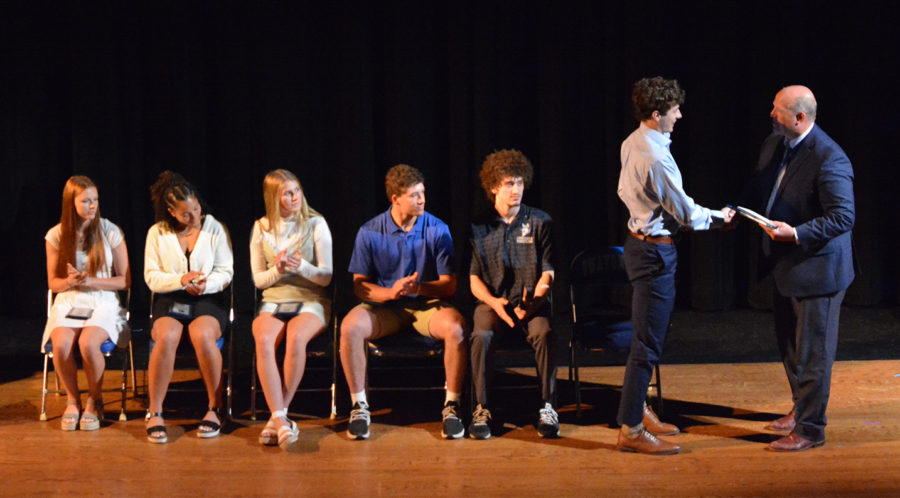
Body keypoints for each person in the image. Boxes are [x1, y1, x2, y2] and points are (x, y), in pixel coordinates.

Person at [615, 77, 734, 454]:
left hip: (641, 246)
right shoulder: (654, 157)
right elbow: (684, 212)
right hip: (653, 254)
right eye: (674, 111)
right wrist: (719, 217)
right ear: (656, 115)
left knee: (650, 339)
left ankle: (639, 409)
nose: (679, 115)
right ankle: (631, 430)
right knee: (646, 343)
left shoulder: (633, 141)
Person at [750, 85, 854, 452]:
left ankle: (811, 429)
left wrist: (795, 234)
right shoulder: (775, 146)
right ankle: (800, 409)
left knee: (813, 355)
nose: (771, 114)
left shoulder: (830, 158)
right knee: (791, 350)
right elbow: (767, 192)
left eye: (778, 110)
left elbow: (843, 217)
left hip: (818, 271)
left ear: (800, 118)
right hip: (785, 268)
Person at [341, 164, 467, 440]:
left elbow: (450, 285)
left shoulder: (437, 229)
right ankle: (359, 406)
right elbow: (360, 287)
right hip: (386, 309)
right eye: (414, 195)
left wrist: (418, 287)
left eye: (422, 193)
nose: (421, 199)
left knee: (456, 328)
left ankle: (452, 405)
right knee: (350, 327)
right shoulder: (370, 231)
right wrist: (390, 292)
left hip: (425, 306)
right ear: (395, 199)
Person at [468, 149, 557, 439]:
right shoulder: (479, 227)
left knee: (543, 332)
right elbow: (473, 278)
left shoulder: (540, 221)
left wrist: (531, 304)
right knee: (481, 334)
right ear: (494, 187)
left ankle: (548, 405)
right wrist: (494, 302)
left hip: (531, 304)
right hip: (494, 305)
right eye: (508, 183)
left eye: (519, 182)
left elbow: (548, 272)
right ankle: (482, 408)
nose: (515, 189)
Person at [144, 171, 234, 444]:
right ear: (171, 212)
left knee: (202, 335)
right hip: (172, 297)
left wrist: (205, 284)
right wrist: (179, 280)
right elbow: (151, 276)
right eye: (186, 214)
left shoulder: (215, 227)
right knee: (167, 336)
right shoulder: (157, 233)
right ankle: (156, 411)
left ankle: (214, 407)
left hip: (207, 297)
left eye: (196, 209)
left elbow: (226, 271)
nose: (194, 217)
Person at [250, 169, 333, 449]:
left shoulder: (315, 223)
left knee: (296, 338)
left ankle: (277, 418)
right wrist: (278, 269)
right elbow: (258, 279)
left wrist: (303, 268)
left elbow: (326, 276)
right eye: (287, 193)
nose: (295, 197)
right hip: (275, 297)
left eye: (297, 190)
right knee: (264, 339)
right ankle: (282, 419)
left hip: (310, 297)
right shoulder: (261, 228)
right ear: (275, 197)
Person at [42, 176, 130, 431]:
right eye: (86, 201)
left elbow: (124, 281)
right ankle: (73, 400)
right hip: (70, 298)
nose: (93, 206)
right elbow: (53, 284)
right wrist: (70, 281)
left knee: (88, 344)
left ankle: (94, 400)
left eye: (96, 200)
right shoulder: (56, 235)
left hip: (102, 297)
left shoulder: (109, 230)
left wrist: (92, 280)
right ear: (71, 203)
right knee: (61, 345)